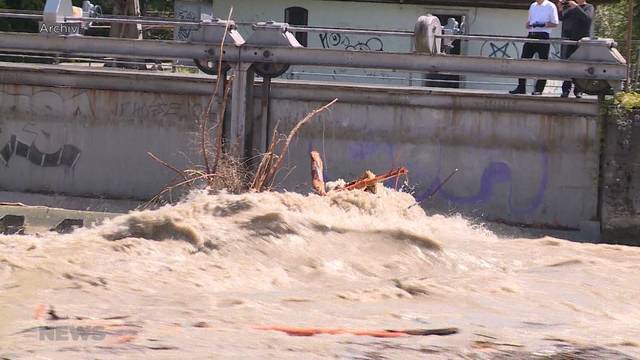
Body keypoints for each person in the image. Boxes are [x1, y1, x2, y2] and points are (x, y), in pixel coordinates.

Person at [509, 0, 560, 95]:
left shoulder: (550, 6)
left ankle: (538, 89)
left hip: (543, 35)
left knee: (542, 63)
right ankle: (521, 87)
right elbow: (528, 22)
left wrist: (543, 24)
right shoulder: (533, 5)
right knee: (523, 61)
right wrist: (528, 24)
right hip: (531, 34)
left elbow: (555, 23)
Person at [558, 0, 594, 98]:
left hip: (582, 41)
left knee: (581, 66)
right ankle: (565, 90)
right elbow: (562, 18)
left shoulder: (589, 7)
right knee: (568, 65)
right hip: (570, 40)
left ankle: (578, 90)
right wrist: (561, 9)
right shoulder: (571, 8)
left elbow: (587, 19)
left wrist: (576, 7)